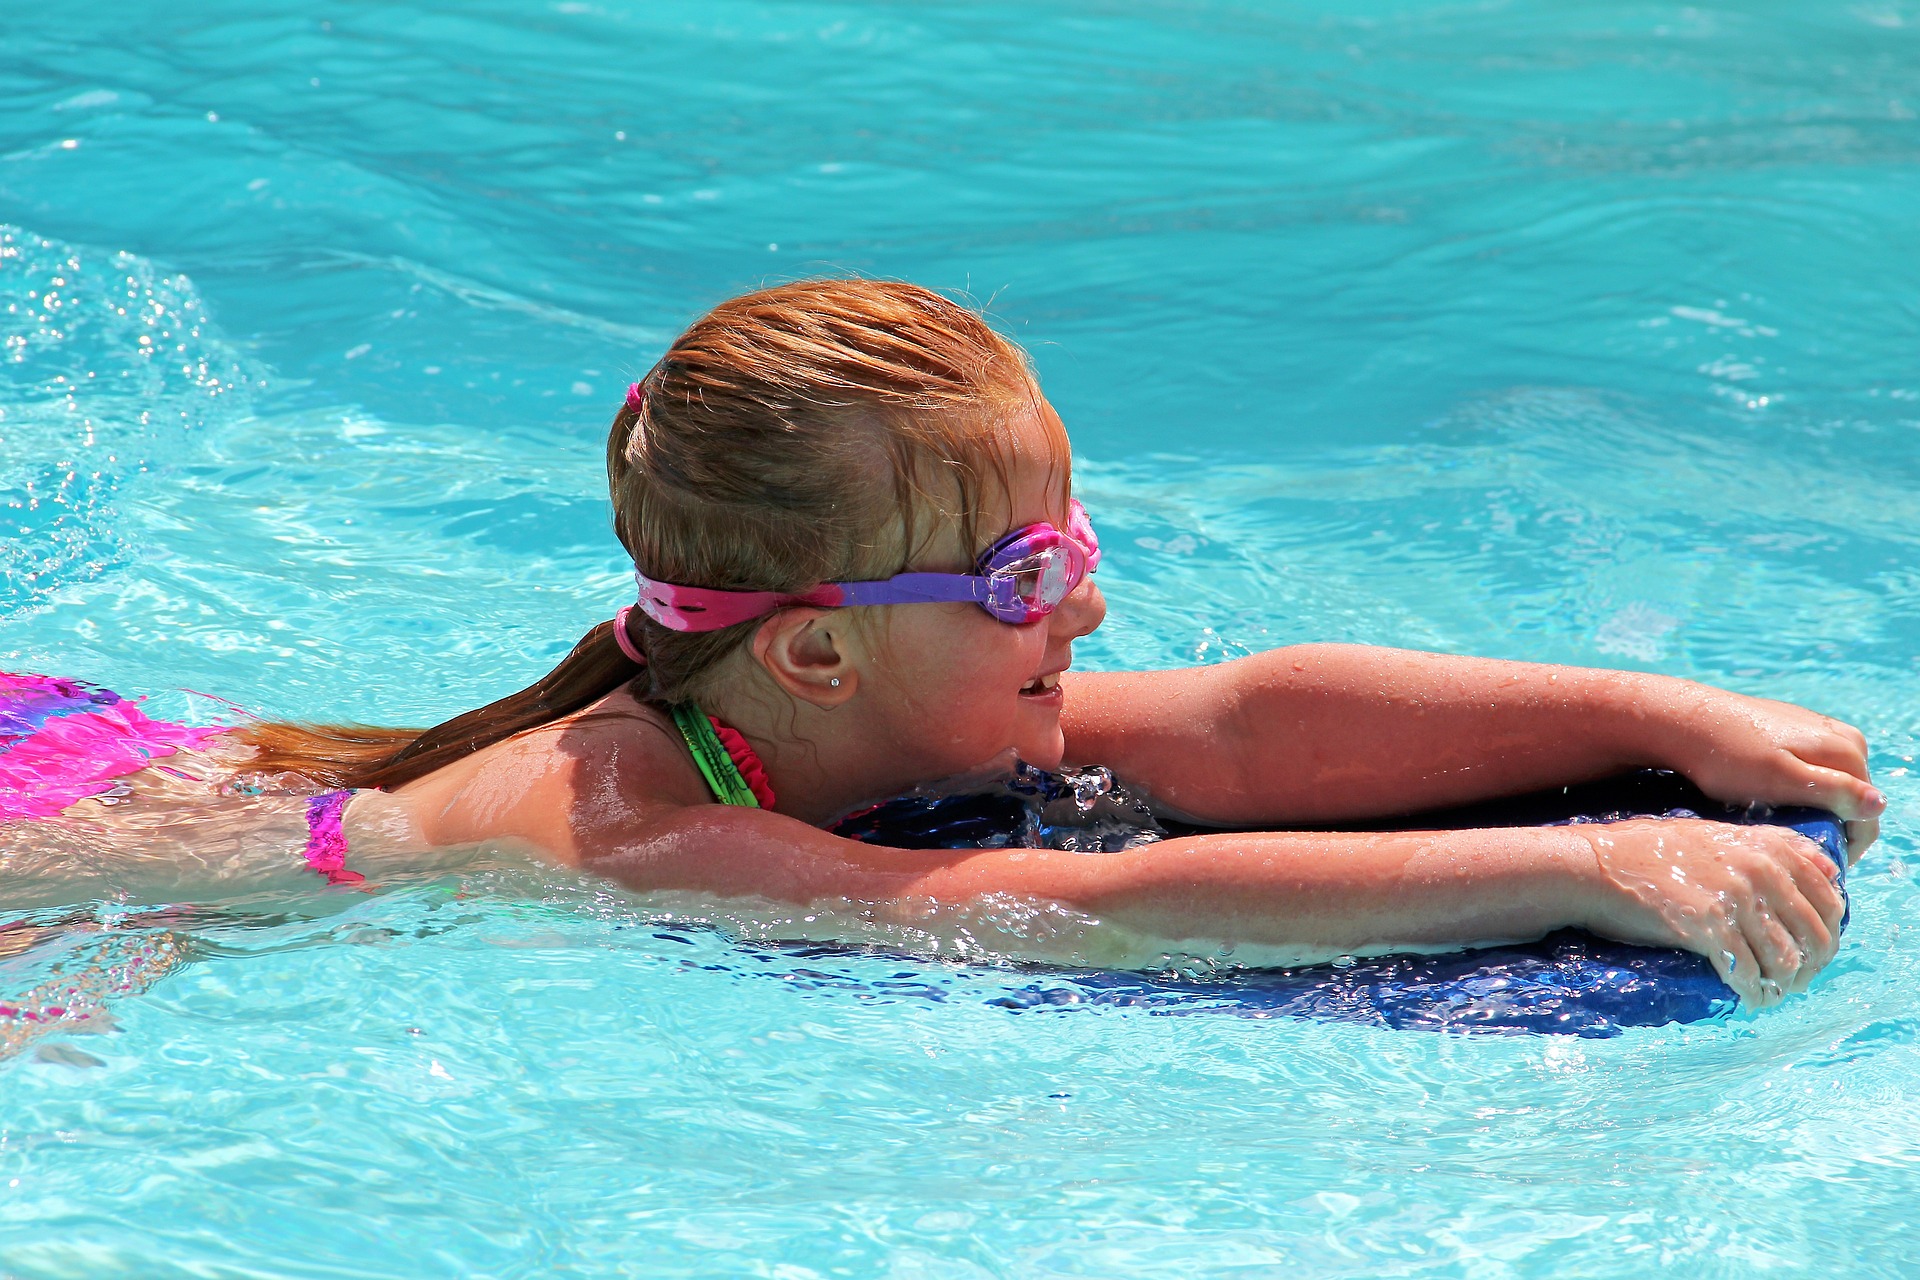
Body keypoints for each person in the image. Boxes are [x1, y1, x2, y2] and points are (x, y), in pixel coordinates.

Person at [0, 280, 1881, 1006]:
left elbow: (1236, 725)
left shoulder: (847, 689)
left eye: (1072, 541)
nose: (1087, 605)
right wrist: (1581, 863)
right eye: (1021, 577)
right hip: (73, 846)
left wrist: (1666, 720)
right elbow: (1068, 910)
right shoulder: (609, 825)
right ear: (815, 656)